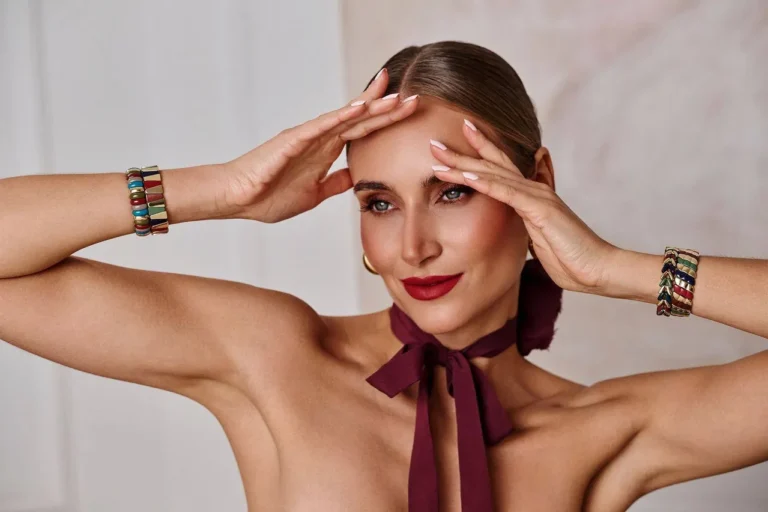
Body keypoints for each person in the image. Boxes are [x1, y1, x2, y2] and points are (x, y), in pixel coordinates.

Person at [0, 40, 766, 512]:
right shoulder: (276, 356)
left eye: (453, 192)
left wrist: (615, 267)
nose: (413, 246)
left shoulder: (605, 429)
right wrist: (221, 189)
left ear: (536, 184)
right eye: (379, 203)